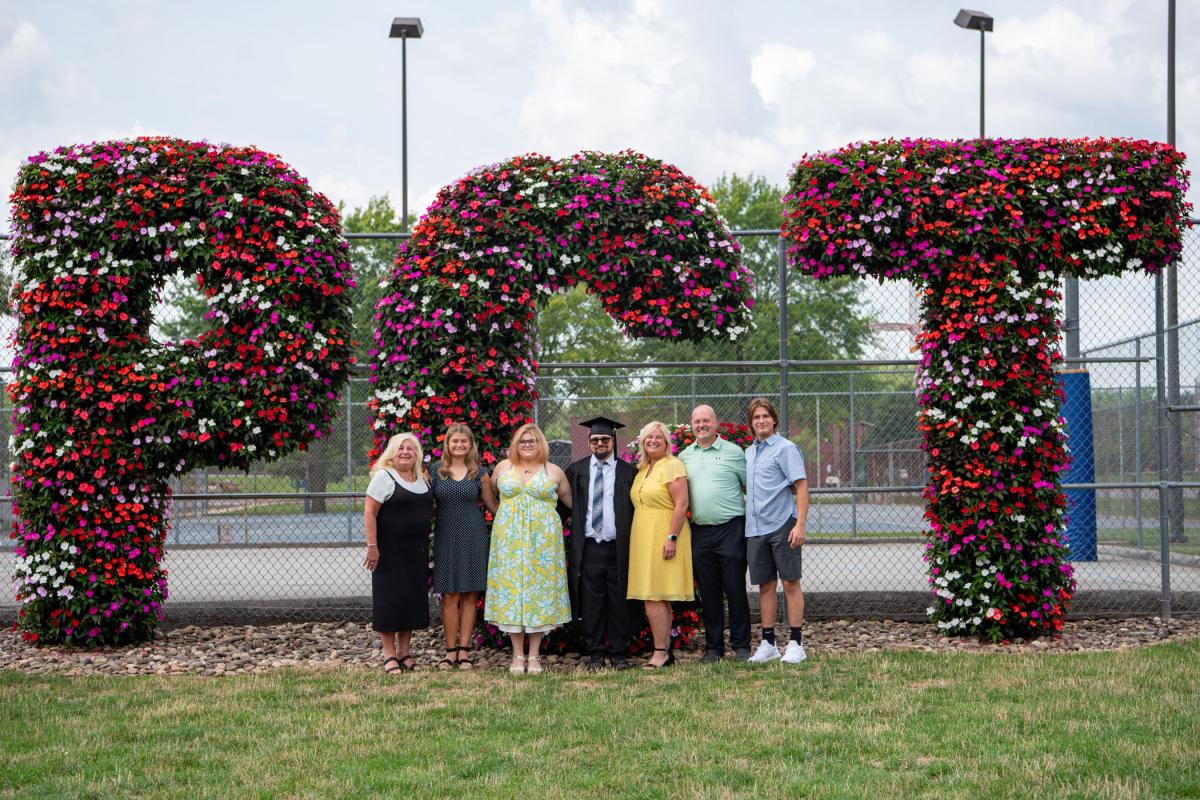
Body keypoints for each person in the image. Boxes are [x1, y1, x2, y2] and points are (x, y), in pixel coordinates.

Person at [486, 423, 573, 675]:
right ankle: (516, 656)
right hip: (509, 542)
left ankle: (534, 656)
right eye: (522, 441)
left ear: (540, 444)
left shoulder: (553, 471)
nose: (526, 445)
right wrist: (501, 515)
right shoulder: (503, 467)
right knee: (512, 591)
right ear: (515, 444)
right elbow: (491, 493)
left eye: (532, 441)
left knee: (538, 593)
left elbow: (571, 502)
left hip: (543, 543)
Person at [678, 404, 751, 662]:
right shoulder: (684, 457)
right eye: (697, 421)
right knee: (708, 592)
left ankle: (741, 645)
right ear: (691, 425)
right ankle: (714, 647)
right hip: (700, 532)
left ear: (716, 423)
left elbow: (750, 486)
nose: (701, 425)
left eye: (706, 420)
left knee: (734, 589)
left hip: (731, 528)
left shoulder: (733, 452)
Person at [565, 416, 637, 671]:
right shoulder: (576, 470)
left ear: (613, 440)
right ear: (589, 442)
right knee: (592, 602)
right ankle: (595, 652)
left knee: (618, 601)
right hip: (589, 548)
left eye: (605, 439)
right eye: (595, 440)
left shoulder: (628, 472)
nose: (600, 443)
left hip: (617, 548)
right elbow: (563, 505)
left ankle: (618, 652)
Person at [744, 397, 810, 665]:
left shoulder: (786, 449)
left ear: (774, 420)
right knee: (765, 586)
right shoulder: (749, 453)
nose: (761, 421)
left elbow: (802, 487)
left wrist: (800, 524)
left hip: (782, 525)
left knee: (791, 583)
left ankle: (796, 643)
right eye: (756, 417)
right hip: (755, 529)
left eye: (765, 416)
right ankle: (768, 644)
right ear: (751, 423)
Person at [363, 431, 434, 674]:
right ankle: (389, 654)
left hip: (416, 551)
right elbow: (370, 512)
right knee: (390, 600)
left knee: (411, 600)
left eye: (410, 448)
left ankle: (404, 652)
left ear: (417, 454)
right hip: (388, 552)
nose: (405, 452)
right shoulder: (384, 477)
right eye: (401, 448)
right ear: (392, 452)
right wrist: (372, 546)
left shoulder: (422, 478)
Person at [429, 423, 498, 670]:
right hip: (446, 536)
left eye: (464, 441)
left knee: (470, 594)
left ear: (471, 445)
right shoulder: (435, 471)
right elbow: (425, 504)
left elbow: (493, 507)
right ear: (447, 443)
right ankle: (449, 651)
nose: (459, 445)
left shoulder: (480, 474)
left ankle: (464, 651)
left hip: (474, 536)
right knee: (449, 595)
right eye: (454, 441)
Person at [626, 420, 692, 669]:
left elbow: (681, 504)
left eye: (659, 438)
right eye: (648, 438)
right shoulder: (643, 469)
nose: (653, 441)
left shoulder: (672, 465)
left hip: (665, 534)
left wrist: (671, 537)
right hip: (644, 535)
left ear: (667, 443)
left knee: (654, 595)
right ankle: (666, 652)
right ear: (642, 442)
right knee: (657, 596)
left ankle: (660, 652)